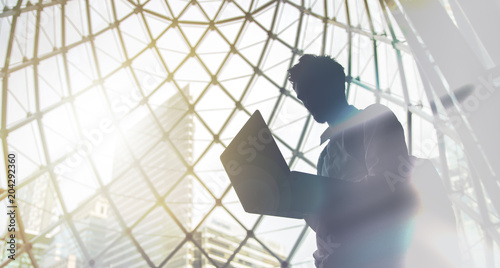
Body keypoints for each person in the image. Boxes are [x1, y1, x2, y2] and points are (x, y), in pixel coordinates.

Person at [287, 54, 418, 267]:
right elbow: (326, 224)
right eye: (302, 98)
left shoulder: (374, 118)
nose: (307, 103)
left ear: (334, 84)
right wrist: (302, 205)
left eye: (310, 91)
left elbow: (387, 186)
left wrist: (319, 197)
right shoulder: (324, 156)